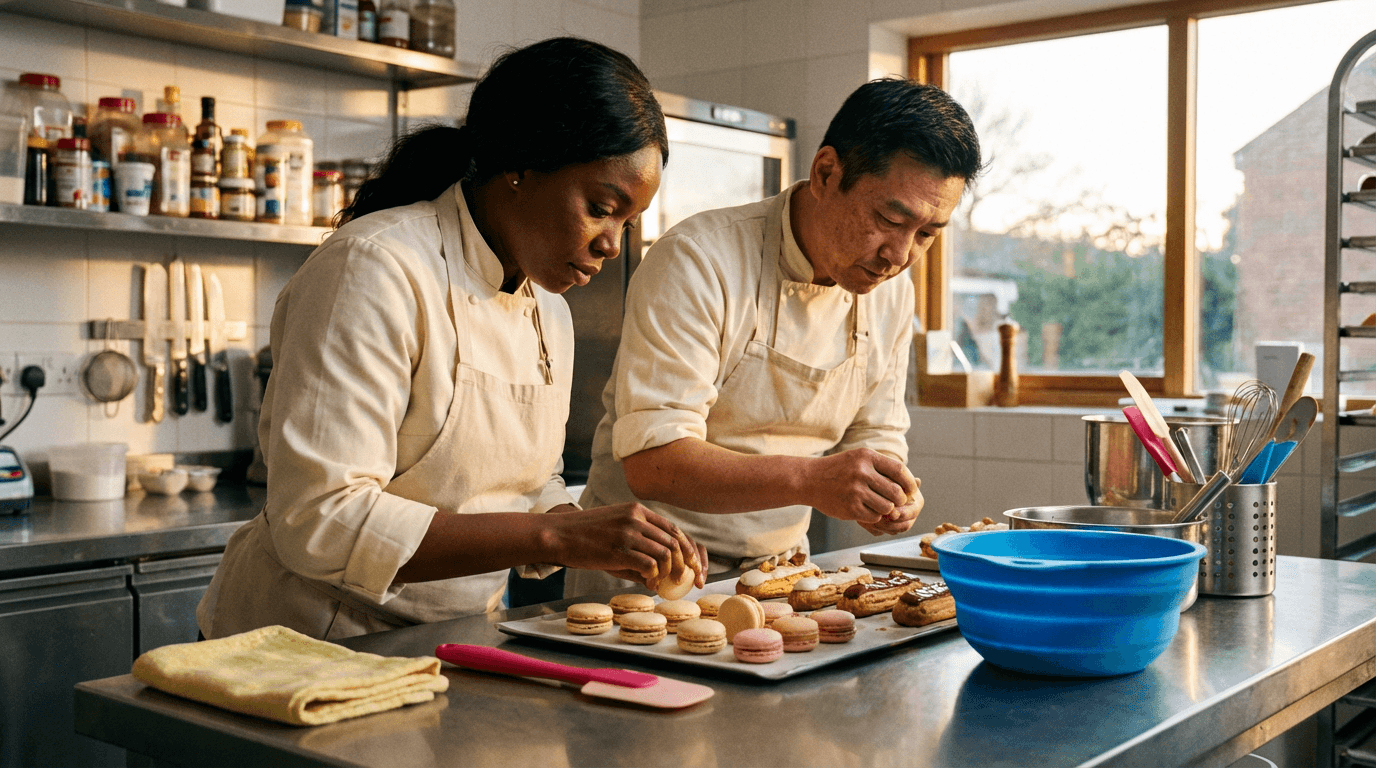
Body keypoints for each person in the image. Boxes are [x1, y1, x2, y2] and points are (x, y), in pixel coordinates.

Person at [198, 37, 705, 642]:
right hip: (303, 642)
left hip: (453, 641)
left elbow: (530, 482)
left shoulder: (548, 306)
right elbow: (319, 519)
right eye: (600, 208)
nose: (612, 244)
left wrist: (576, 527)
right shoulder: (375, 268)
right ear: (520, 165)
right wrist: (559, 536)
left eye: (627, 223)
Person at [566, 78, 982, 596]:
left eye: (926, 234)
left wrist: (886, 489)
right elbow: (655, 463)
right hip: (647, 579)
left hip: (783, 578)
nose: (899, 255)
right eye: (888, 219)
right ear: (827, 172)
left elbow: (875, 431)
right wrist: (814, 481)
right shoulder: (700, 259)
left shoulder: (890, 291)